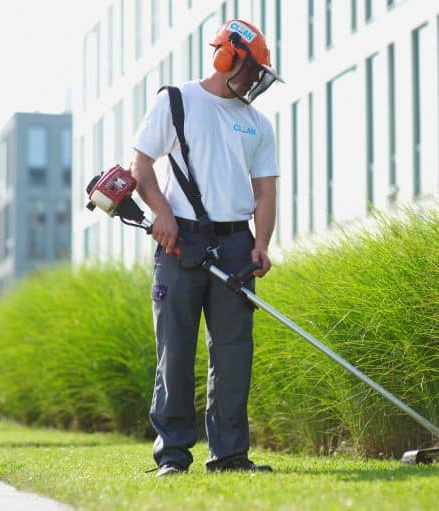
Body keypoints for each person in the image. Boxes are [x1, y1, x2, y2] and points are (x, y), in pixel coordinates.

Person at [131, 19, 282, 476]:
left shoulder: (258, 124)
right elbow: (140, 166)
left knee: (234, 353)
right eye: (252, 70)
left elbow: (265, 192)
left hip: (237, 245)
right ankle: (173, 455)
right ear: (226, 57)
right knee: (175, 350)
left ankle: (231, 455)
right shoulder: (176, 101)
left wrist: (262, 243)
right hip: (182, 242)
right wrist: (162, 213)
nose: (256, 81)